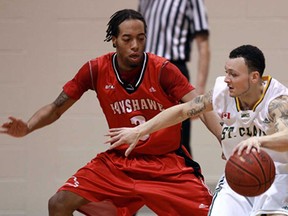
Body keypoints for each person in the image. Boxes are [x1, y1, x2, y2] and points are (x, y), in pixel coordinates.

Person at [0, 9, 220, 216]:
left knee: (215, 212)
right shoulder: (95, 70)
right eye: (127, 39)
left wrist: (224, 139)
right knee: (58, 203)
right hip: (120, 162)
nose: (135, 45)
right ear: (114, 40)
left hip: (166, 164)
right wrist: (28, 127)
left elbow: (201, 106)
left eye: (141, 38)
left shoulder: (163, 70)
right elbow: (56, 109)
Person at [107, 45, 288, 216]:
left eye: (233, 75)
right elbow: (182, 111)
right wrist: (139, 130)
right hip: (239, 175)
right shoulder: (222, 93)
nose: (227, 79)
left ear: (254, 77)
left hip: (278, 177)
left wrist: (259, 141)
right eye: (226, 72)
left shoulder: (277, 102)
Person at [138, 0, 211, 154]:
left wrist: (199, 92)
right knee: (144, 136)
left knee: (179, 140)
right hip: (145, 71)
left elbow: (203, 45)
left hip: (173, 69)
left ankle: (186, 175)